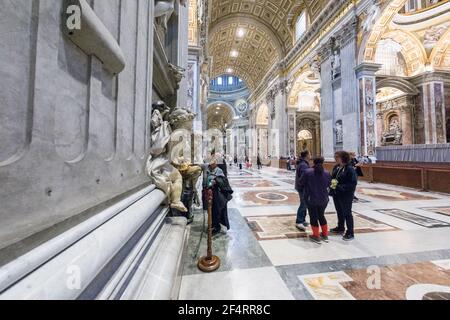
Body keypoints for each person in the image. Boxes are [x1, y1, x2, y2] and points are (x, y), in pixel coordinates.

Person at [299, 157, 331, 244]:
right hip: (324, 199)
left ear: (313, 162)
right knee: (321, 215)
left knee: (313, 217)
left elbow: (301, 183)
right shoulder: (327, 173)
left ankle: (316, 236)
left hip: (311, 198)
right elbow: (329, 184)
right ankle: (325, 235)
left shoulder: (308, 172)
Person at [330, 151, 358, 241]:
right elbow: (333, 177)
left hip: (346, 194)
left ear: (343, 158)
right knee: (339, 211)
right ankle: (340, 227)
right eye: (335, 156)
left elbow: (353, 183)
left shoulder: (350, 169)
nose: (335, 158)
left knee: (347, 212)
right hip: (336, 193)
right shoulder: (337, 167)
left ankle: (350, 232)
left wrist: (340, 187)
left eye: (337, 157)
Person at [204, 159, 234, 236]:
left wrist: (213, 182)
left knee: (217, 211)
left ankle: (217, 226)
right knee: (212, 210)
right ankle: (213, 224)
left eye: (212, 164)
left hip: (218, 194)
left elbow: (220, 181)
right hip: (211, 194)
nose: (211, 165)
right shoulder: (208, 170)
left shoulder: (219, 170)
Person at [295, 150, 311, 231]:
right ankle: (299, 221)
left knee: (305, 204)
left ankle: (303, 220)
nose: (310, 155)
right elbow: (304, 178)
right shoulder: (304, 165)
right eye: (309, 154)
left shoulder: (303, 163)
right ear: (307, 155)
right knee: (303, 204)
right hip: (303, 188)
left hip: (302, 187)